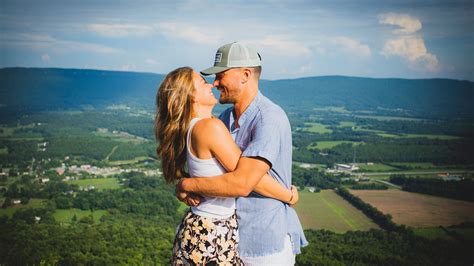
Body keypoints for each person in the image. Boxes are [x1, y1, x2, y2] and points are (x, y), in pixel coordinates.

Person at [176, 41, 308, 265]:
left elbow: (243, 182)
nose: (215, 83)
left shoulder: (269, 118)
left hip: (265, 243)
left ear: (245, 75)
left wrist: (187, 185)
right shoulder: (224, 118)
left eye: (221, 76)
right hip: (231, 241)